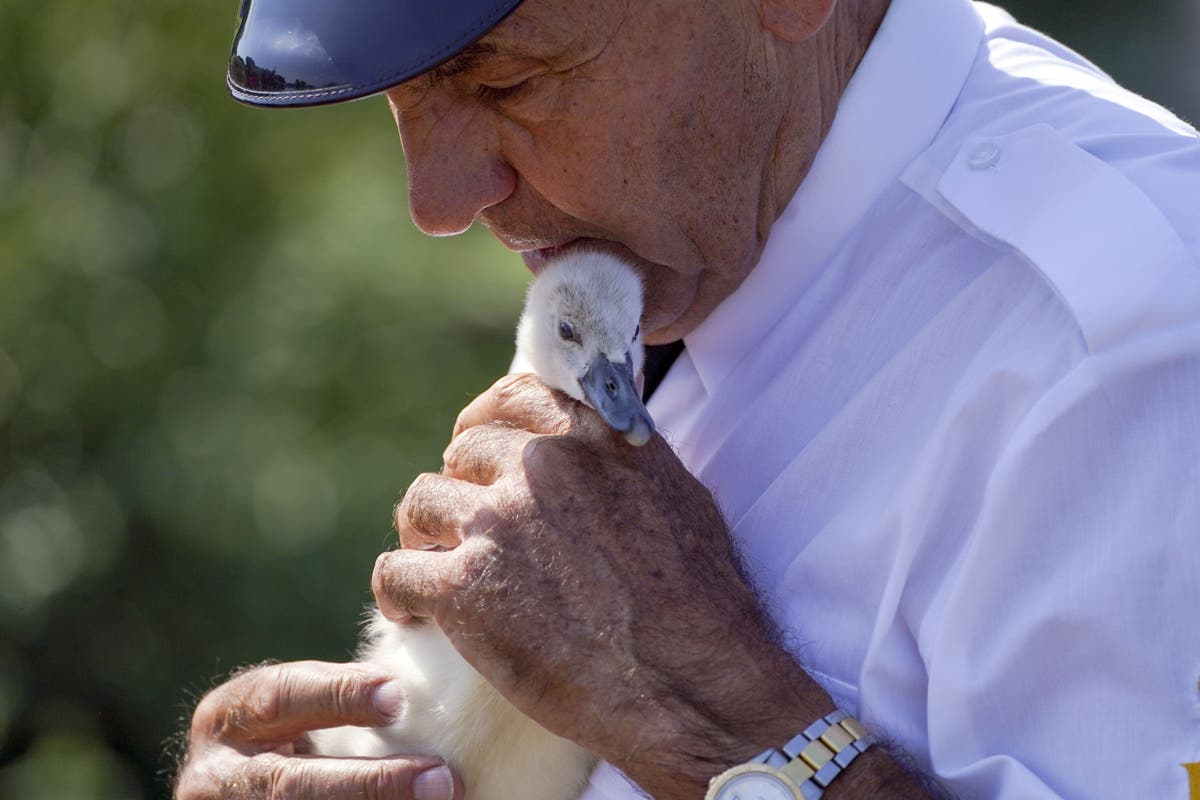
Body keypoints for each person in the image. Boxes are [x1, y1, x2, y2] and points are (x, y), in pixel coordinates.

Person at [175, 0, 1200, 798]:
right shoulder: (673, 225)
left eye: (507, 82)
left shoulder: (1139, 345)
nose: (437, 204)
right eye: (404, 98)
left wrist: (720, 715)